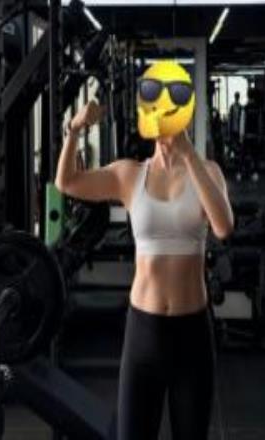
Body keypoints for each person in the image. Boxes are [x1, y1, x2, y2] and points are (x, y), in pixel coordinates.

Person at [55, 100, 234, 440]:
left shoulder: (207, 172)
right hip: (144, 333)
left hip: (192, 332)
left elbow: (223, 227)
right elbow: (67, 182)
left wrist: (188, 154)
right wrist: (75, 129)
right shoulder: (131, 174)